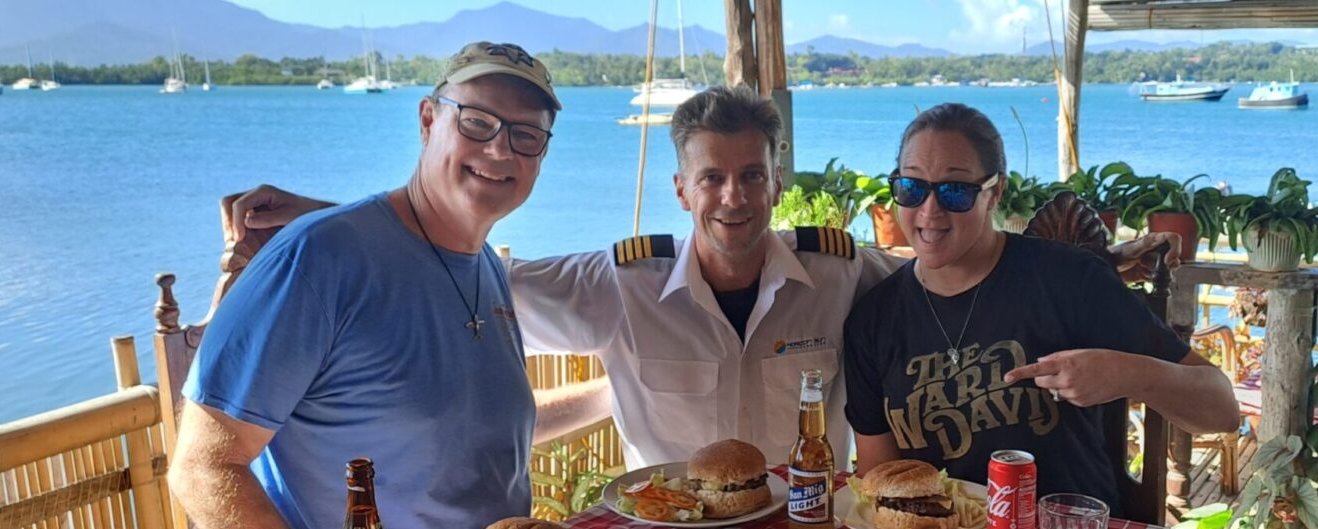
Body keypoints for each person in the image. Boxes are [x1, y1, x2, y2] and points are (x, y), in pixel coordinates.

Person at [218, 86, 1181, 472]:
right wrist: (331, 217)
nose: (734, 197)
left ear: (776, 183)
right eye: (712, 177)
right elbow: (471, 261)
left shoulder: (844, 275)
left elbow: (947, 261)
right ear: (682, 185)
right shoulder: (618, 284)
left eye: (753, 175)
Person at [167, 42, 606, 529]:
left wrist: (613, 394)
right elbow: (204, 468)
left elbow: (464, 429)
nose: (500, 150)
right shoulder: (317, 260)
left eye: (526, 135)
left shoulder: (485, 268)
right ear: (429, 119)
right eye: (477, 122)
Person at [843, 103, 1240, 514]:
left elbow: (1223, 409)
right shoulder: (874, 319)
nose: (929, 211)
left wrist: (1127, 374)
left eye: (954, 191)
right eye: (911, 187)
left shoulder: (1067, 279)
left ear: (995, 192)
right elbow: (881, 481)